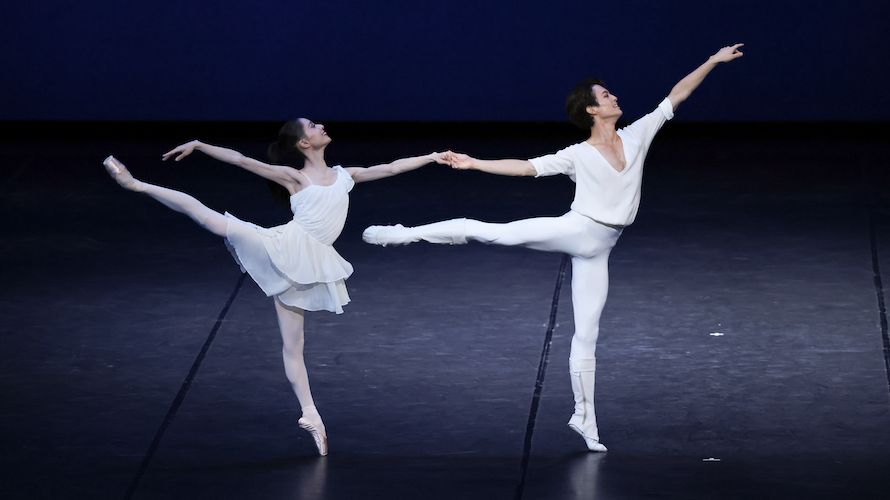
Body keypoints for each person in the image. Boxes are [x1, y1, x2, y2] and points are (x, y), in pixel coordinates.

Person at [363, 44, 744, 452]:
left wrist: (711, 61)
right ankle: (406, 233)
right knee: (494, 231)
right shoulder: (578, 154)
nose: (613, 96)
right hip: (578, 229)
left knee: (588, 334)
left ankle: (585, 419)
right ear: (592, 111)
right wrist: (476, 163)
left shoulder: (637, 135)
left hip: (602, 249)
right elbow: (528, 167)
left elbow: (677, 95)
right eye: (604, 95)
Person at [103, 118, 449, 456]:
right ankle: (137, 185)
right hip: (283, 247)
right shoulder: (295, 177)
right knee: (212, 220)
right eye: (313, 127)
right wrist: (200, 145)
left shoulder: (346, 175)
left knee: (294, 344)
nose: (321, 126)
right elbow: (241, 160)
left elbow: (391, 167)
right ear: (303, 143)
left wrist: (432, 157)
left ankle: (311, 415)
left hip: (309, 261)